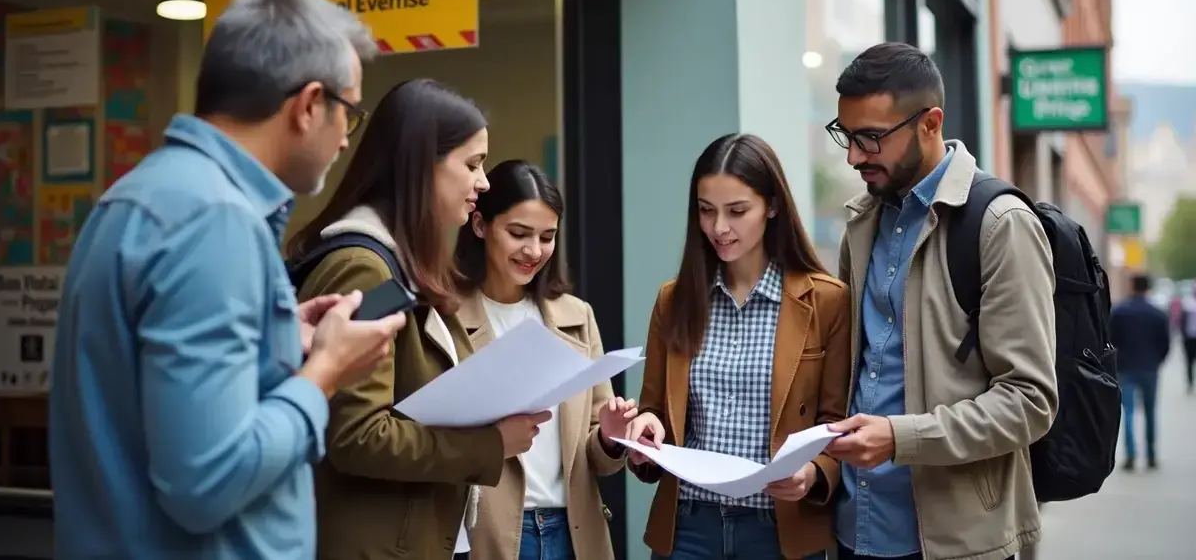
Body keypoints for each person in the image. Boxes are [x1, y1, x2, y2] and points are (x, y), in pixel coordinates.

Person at [48, 0, 407, 559]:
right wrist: (325, 373)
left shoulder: (141, 196)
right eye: (351, 113)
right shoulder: (216, 220)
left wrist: (284, 338)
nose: (346, 137)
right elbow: (207, 483)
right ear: (310, 104)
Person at [284, 79, 548, 560]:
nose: (484, 182)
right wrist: (490, 445)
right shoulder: (365, 266)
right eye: (472, 164)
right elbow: (358, 435)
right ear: (421, 168)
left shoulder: (402, 261)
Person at [825, 42, 1057, 560]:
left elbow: (1029, 401)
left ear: (930, 124)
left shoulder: (1000, 225)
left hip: (953, 543)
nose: (853, 155)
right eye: (846, 134)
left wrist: (899, 438)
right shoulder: (862, 222)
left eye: (870, 138)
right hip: (852, 530)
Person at [623, 133, 851, 560]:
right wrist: (644, 434)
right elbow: (654, 408)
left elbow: (836, 422)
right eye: (706, 211)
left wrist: (814, 474)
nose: (719, 228)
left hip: (779, 532)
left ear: (773, 205)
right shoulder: (674, 301)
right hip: (688, 527)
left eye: (737, 211)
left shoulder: (826, 301)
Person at [454, 159, 635, 560]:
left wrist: (609, 436)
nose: (534, 251)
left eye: (547, 236)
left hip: (574, 534)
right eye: (519, 233)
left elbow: (597, 457)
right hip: (489, 537)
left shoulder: (576, 315)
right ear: (480, 225)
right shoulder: (445, 317)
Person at [1110, 274, 1171, 470]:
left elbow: (1110, 340)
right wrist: (1156, 361)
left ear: (1131, 286)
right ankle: (1151, 455)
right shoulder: (1158, 313)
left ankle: (1130, 455)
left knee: (1128, 411)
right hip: (1149, 368)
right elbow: (1165, 344)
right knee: (1150, 412)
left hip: (1125, 367)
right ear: (1148, 288)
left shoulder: (1119, 312)